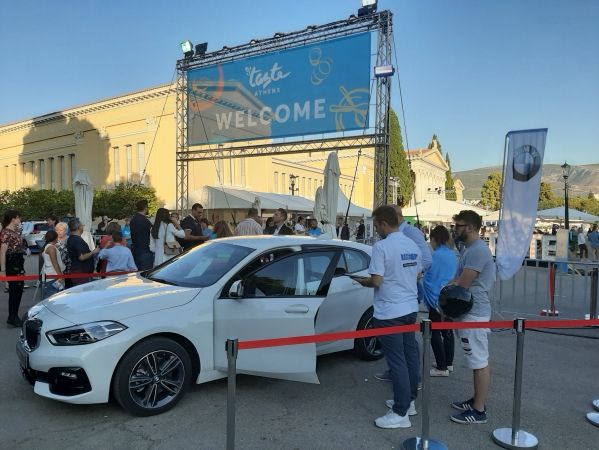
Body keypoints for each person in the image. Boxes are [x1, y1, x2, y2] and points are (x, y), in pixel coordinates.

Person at [355, 205, 421, 429]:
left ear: (384, 223)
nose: (376, 230)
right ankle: (409, 402)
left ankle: (400, 412)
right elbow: (418, 273)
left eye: (376, 226)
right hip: (409, 308)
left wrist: (362, 281)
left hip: (390, 312)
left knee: (397, 361)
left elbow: (376, 281)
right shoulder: (412, 244)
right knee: (409, 356)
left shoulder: (382, 247)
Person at [449, 210, 496, 425]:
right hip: (469, 312)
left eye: (458, 226)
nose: (454, 230)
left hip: (474, 313)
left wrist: (448, 286)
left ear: (470, 227)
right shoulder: (471, 249)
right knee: (475, 359)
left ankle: (479, 410)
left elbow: (462, 283)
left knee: (479, 361)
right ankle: (476, 400)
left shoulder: (477, 251)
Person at [421, 225, 458, 377]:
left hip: (436, 299)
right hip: (450, 298)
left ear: (435, 239)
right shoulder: (452, 254)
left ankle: (441, 367)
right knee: (448, 331)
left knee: (434, 332)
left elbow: (430, 277)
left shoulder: (435, 256)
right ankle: (448, 363)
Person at [1, 210, 26, 327]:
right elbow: (2, 252)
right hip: (12, 262)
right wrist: (3, 270)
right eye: (19, 218)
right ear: (13, 218)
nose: (20, 220)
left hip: (18, 261)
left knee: (19, 290)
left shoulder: (14, 231)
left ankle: (14, 315)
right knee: (15, 290)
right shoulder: (6, 232)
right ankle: (12, 317)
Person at [394, 205, 432, 272]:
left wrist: (409, 273)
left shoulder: (410, 231)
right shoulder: (401, 231)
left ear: (396, 217)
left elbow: (426, 260)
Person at [66, 219, 99, 286]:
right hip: (81, 273)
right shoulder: (76, 240)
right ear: (78, 227)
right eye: (82, 225)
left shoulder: (73, 238)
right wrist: (93, 252)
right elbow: (82, 257)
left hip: (81, 271)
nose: (83, 227)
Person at [41, 230, 66, 298]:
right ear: (56, 238)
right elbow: (55, 262)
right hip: (54, 276)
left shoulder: (48, 246)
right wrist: (60, 276)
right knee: (53, 298)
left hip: (51, 275)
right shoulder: (51, 248)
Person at [130, 200, 154, 270]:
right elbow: (154, 233)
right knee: (146, 274)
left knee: (137, 274)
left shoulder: (133, 220)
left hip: (136, 251)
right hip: (145, 251)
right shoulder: (145, 221)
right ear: (145, 208)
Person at [54, 222, 72, 288]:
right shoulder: (53, 240)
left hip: (68, 267)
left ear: (66, 231)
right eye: (57, 230)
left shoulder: (70, 239)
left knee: (68, 287)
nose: (58, 232)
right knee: (56, 288)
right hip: (56, 267)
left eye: (61, 230)